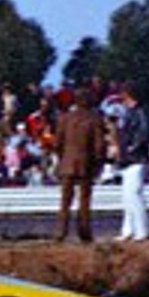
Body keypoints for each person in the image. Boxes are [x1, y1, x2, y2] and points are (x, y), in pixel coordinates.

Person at [53, 88, 104, 243]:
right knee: (84, 200)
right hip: (86, 163)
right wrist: (98, 163)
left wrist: (62, 158)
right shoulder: (94, 119)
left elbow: (57, 143)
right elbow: (99, 146)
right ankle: (84, 232)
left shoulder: (65, 118)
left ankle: (61, 232)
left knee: (65, 200)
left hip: (67, 162)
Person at [115, 84, 149, 241]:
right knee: (127, 196)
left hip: (136, 158)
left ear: (128, 95)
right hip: (128, 159)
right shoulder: (130, 113)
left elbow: (144, 134)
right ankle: (128, 229)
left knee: (134, 194)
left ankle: (142, 230)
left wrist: (130, 149)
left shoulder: (140, 112)